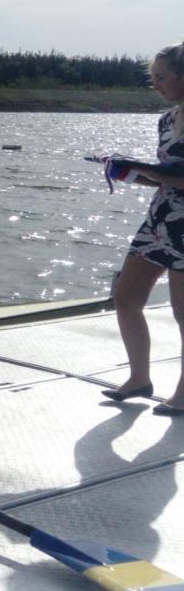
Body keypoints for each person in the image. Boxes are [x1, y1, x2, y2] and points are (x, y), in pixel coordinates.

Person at [103, 42, 184, 415]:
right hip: (160, 221)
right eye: (152, 77)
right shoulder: (166, 120)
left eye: (161, 77)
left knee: (183, 314)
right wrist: (127, 171)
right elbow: (163, 177)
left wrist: (149, 170)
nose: (156, 84)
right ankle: (139, 379)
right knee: (126, 298)